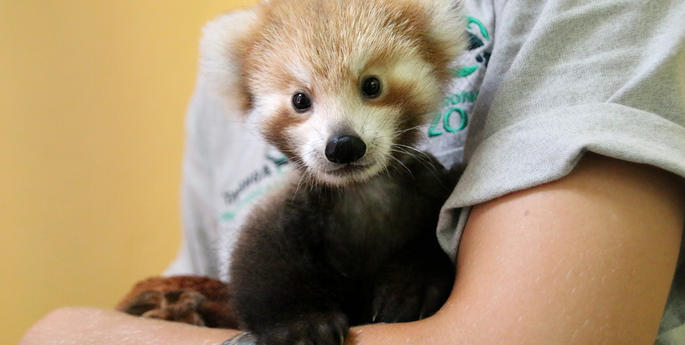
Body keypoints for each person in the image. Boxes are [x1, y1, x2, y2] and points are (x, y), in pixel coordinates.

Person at [20, 0, 685, 344]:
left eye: (370, 87)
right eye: (302, 103)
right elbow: (223, 293)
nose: (337, 134)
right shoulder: (221, 93)